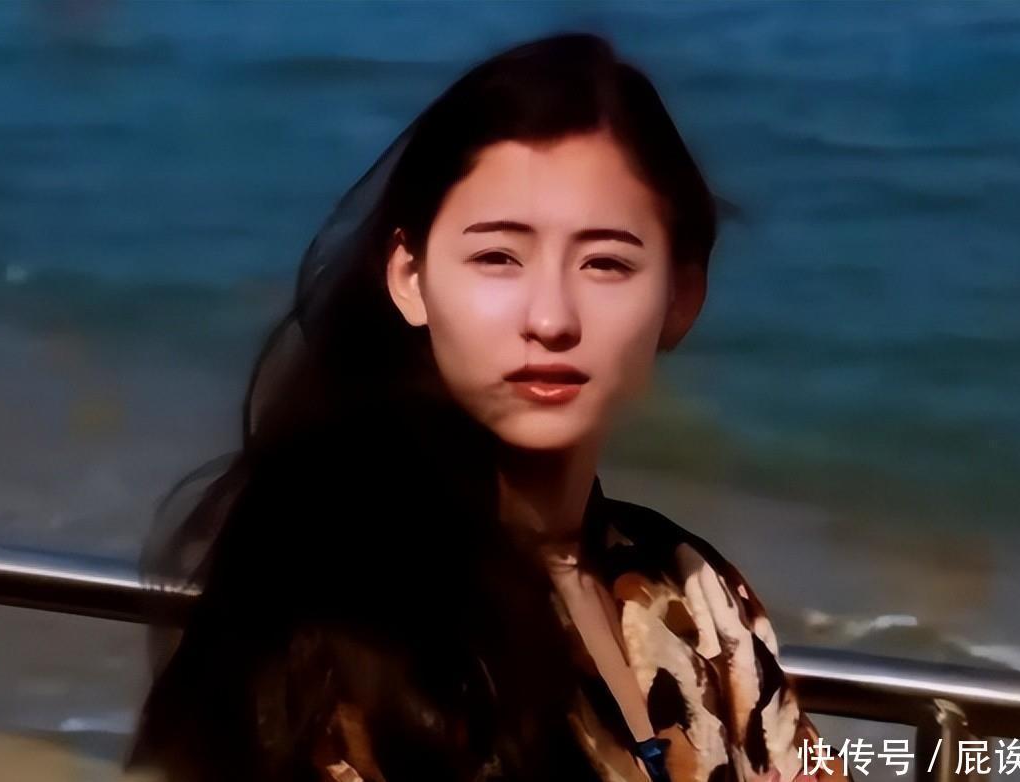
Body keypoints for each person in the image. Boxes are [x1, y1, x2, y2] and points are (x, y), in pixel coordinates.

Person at [128, 32, 848, 782]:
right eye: (498, 257)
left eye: (605, 262)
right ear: (409, 278)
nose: (551, 318)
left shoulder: (695, 588)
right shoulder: (348, 616)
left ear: (681, 299)